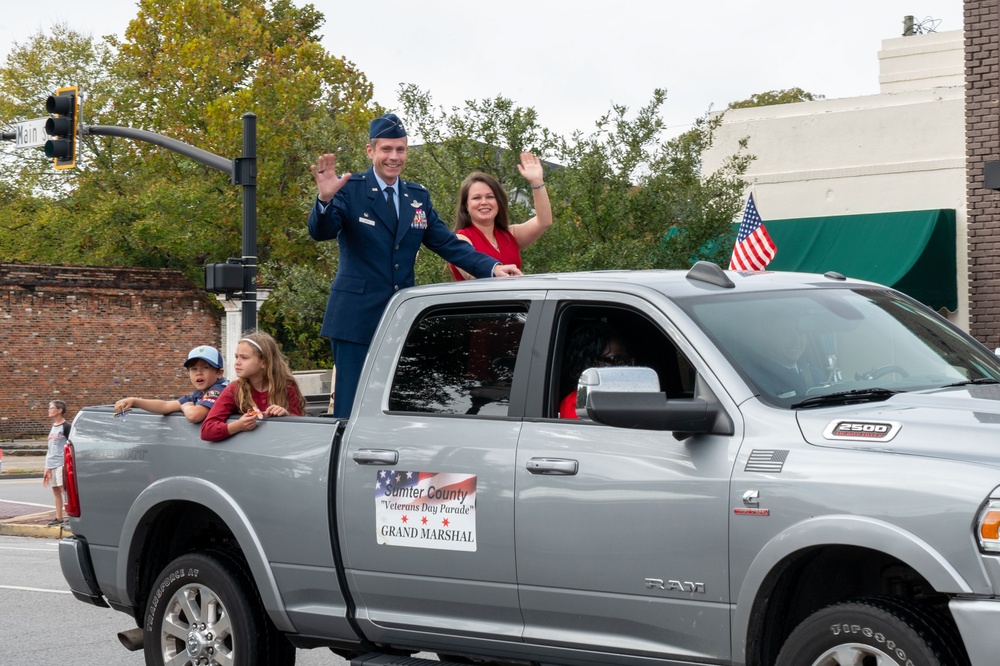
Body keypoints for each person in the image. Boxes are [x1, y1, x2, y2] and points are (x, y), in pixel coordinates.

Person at [308, 113, 523, 418]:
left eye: (400, 149)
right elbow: (322, 231)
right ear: (371, 151)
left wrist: (493, 267)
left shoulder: (417, 197)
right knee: (351, 406)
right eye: (386, 149)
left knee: (395, 402)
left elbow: (447, 243)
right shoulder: (349, 189)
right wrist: (325, 200)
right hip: (355, 318)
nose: (393, 157)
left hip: (399, 319)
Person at [448, 152, 553, 280]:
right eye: (476, 198)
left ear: (498, 201)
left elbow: (544, 221)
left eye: (490, 197)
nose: (484, 202)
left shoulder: (510, 234)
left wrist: (537, 182)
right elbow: (471, 274)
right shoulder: (460, 240)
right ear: (466, 206)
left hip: (514, 299)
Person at [201, 331, 305, 442]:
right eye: (236, 357)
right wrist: (238, 426)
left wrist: (286, 415)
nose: (237, 362)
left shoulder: (287, 386)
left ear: (263, 363)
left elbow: (301, 429)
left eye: (244, 358)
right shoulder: (234, 389)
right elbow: (207, 430)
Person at [114, 345, 228, 424]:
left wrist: (187, 407)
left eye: (205, 367)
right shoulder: (200, 393)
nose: (199, 373)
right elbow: (165, 406)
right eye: (193, 369)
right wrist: (134, 401)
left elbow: (194, 415)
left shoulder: (219, 390)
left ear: (219, 373)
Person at [559, 322, 633, 419]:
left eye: (626, 360)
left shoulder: (624, 396)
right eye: (617, 360)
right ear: (593, 363)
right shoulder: (577, 402)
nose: (625, 366)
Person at [746, 313, 825, 400]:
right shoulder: (758, 381)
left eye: (801, 332)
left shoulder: (816, 375)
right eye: (786, 332)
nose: (796, 340)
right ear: (770, 338)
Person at [43, 400, 70, 526]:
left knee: (64, 489)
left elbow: (71, 444)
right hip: (51, 463)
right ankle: (58, 517)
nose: (49, 410)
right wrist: (46, 466)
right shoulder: (53, 426)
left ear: (59, 410)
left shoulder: (66, 427)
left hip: (62, 463)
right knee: (55, 491)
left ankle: (70, 516)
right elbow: (50, 447)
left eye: (52, 408)